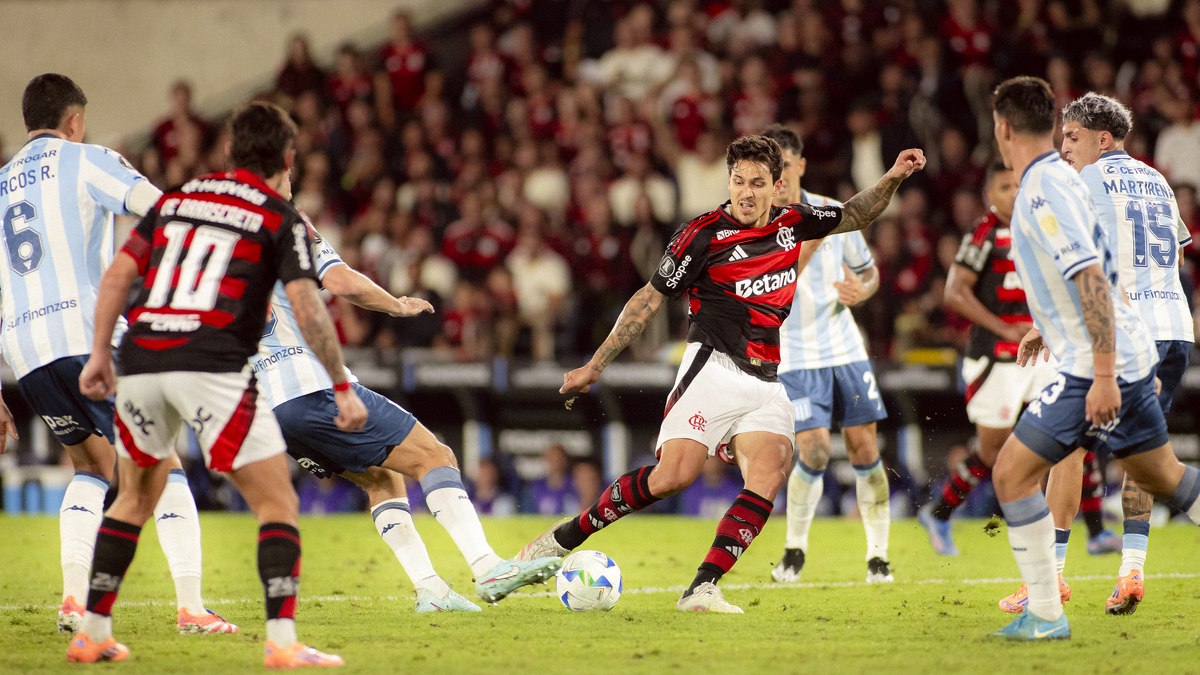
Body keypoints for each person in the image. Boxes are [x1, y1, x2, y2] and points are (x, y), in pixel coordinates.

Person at [517, 134, 925, 613]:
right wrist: (595, 364)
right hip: (712, 367)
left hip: (765, 379)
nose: (746, 192)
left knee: (770, 471)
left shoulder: (795, 222)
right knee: (672, 478)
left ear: (777, 187)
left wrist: (893, 176)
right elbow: (648, 299)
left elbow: (855, 214)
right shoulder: (702, 234)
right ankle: (561, 540)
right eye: (738, 181)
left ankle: (702, 587)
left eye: (757, 183)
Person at [72, 101, 366, 667]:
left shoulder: (177, 199)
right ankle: (282, 643)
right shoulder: (280, 216)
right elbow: (307, 306)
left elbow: (118, 275)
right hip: (212, 361)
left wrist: (99, 353)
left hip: (142, 357)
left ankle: (92, 632)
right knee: (276, 500)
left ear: (230, 151)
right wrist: (341, 385)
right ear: (288, 159)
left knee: (132, 498)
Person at [0, 73, 232, 636]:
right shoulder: (88, 159)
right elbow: (161, 209)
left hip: (26, 354)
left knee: (91, 466)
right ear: (74, 121)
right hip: (87, 338)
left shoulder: (1, 183)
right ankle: (191, 607)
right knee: (164, 462)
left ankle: (73, 601)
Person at [253, 217, 560, 611]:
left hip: (272, 408)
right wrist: (396, 304)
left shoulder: (216, 242)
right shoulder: (286, 222)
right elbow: (341, 281)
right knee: (435, 456)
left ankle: (430, 590)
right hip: (312, 386)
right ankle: (487, 567)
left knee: (381, 478)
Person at [988, 76, 1200, 641]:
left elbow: (1091, 267)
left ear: (1103, 139)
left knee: (1048, 458)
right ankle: (1127, 570)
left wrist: (1091, 354)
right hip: (1171, 327)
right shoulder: (1158, 180)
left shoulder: (1077, 181)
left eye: (1075, 137)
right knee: (1152, 467)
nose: (1067, 147)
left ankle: (1049, 589)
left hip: (1113, 337)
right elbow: (1175, 256)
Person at [760, 125, 893, 585]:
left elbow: (869, 272)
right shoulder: (757, 226)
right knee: (814, 451)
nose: (778, 177)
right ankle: (794, 550)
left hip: (844, 348)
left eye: (784, 165)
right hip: (794, 356)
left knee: (865, 448)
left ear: (800, 165)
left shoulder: (834, 213)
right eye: (770, 169)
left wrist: (863, 289)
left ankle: (879, 556)